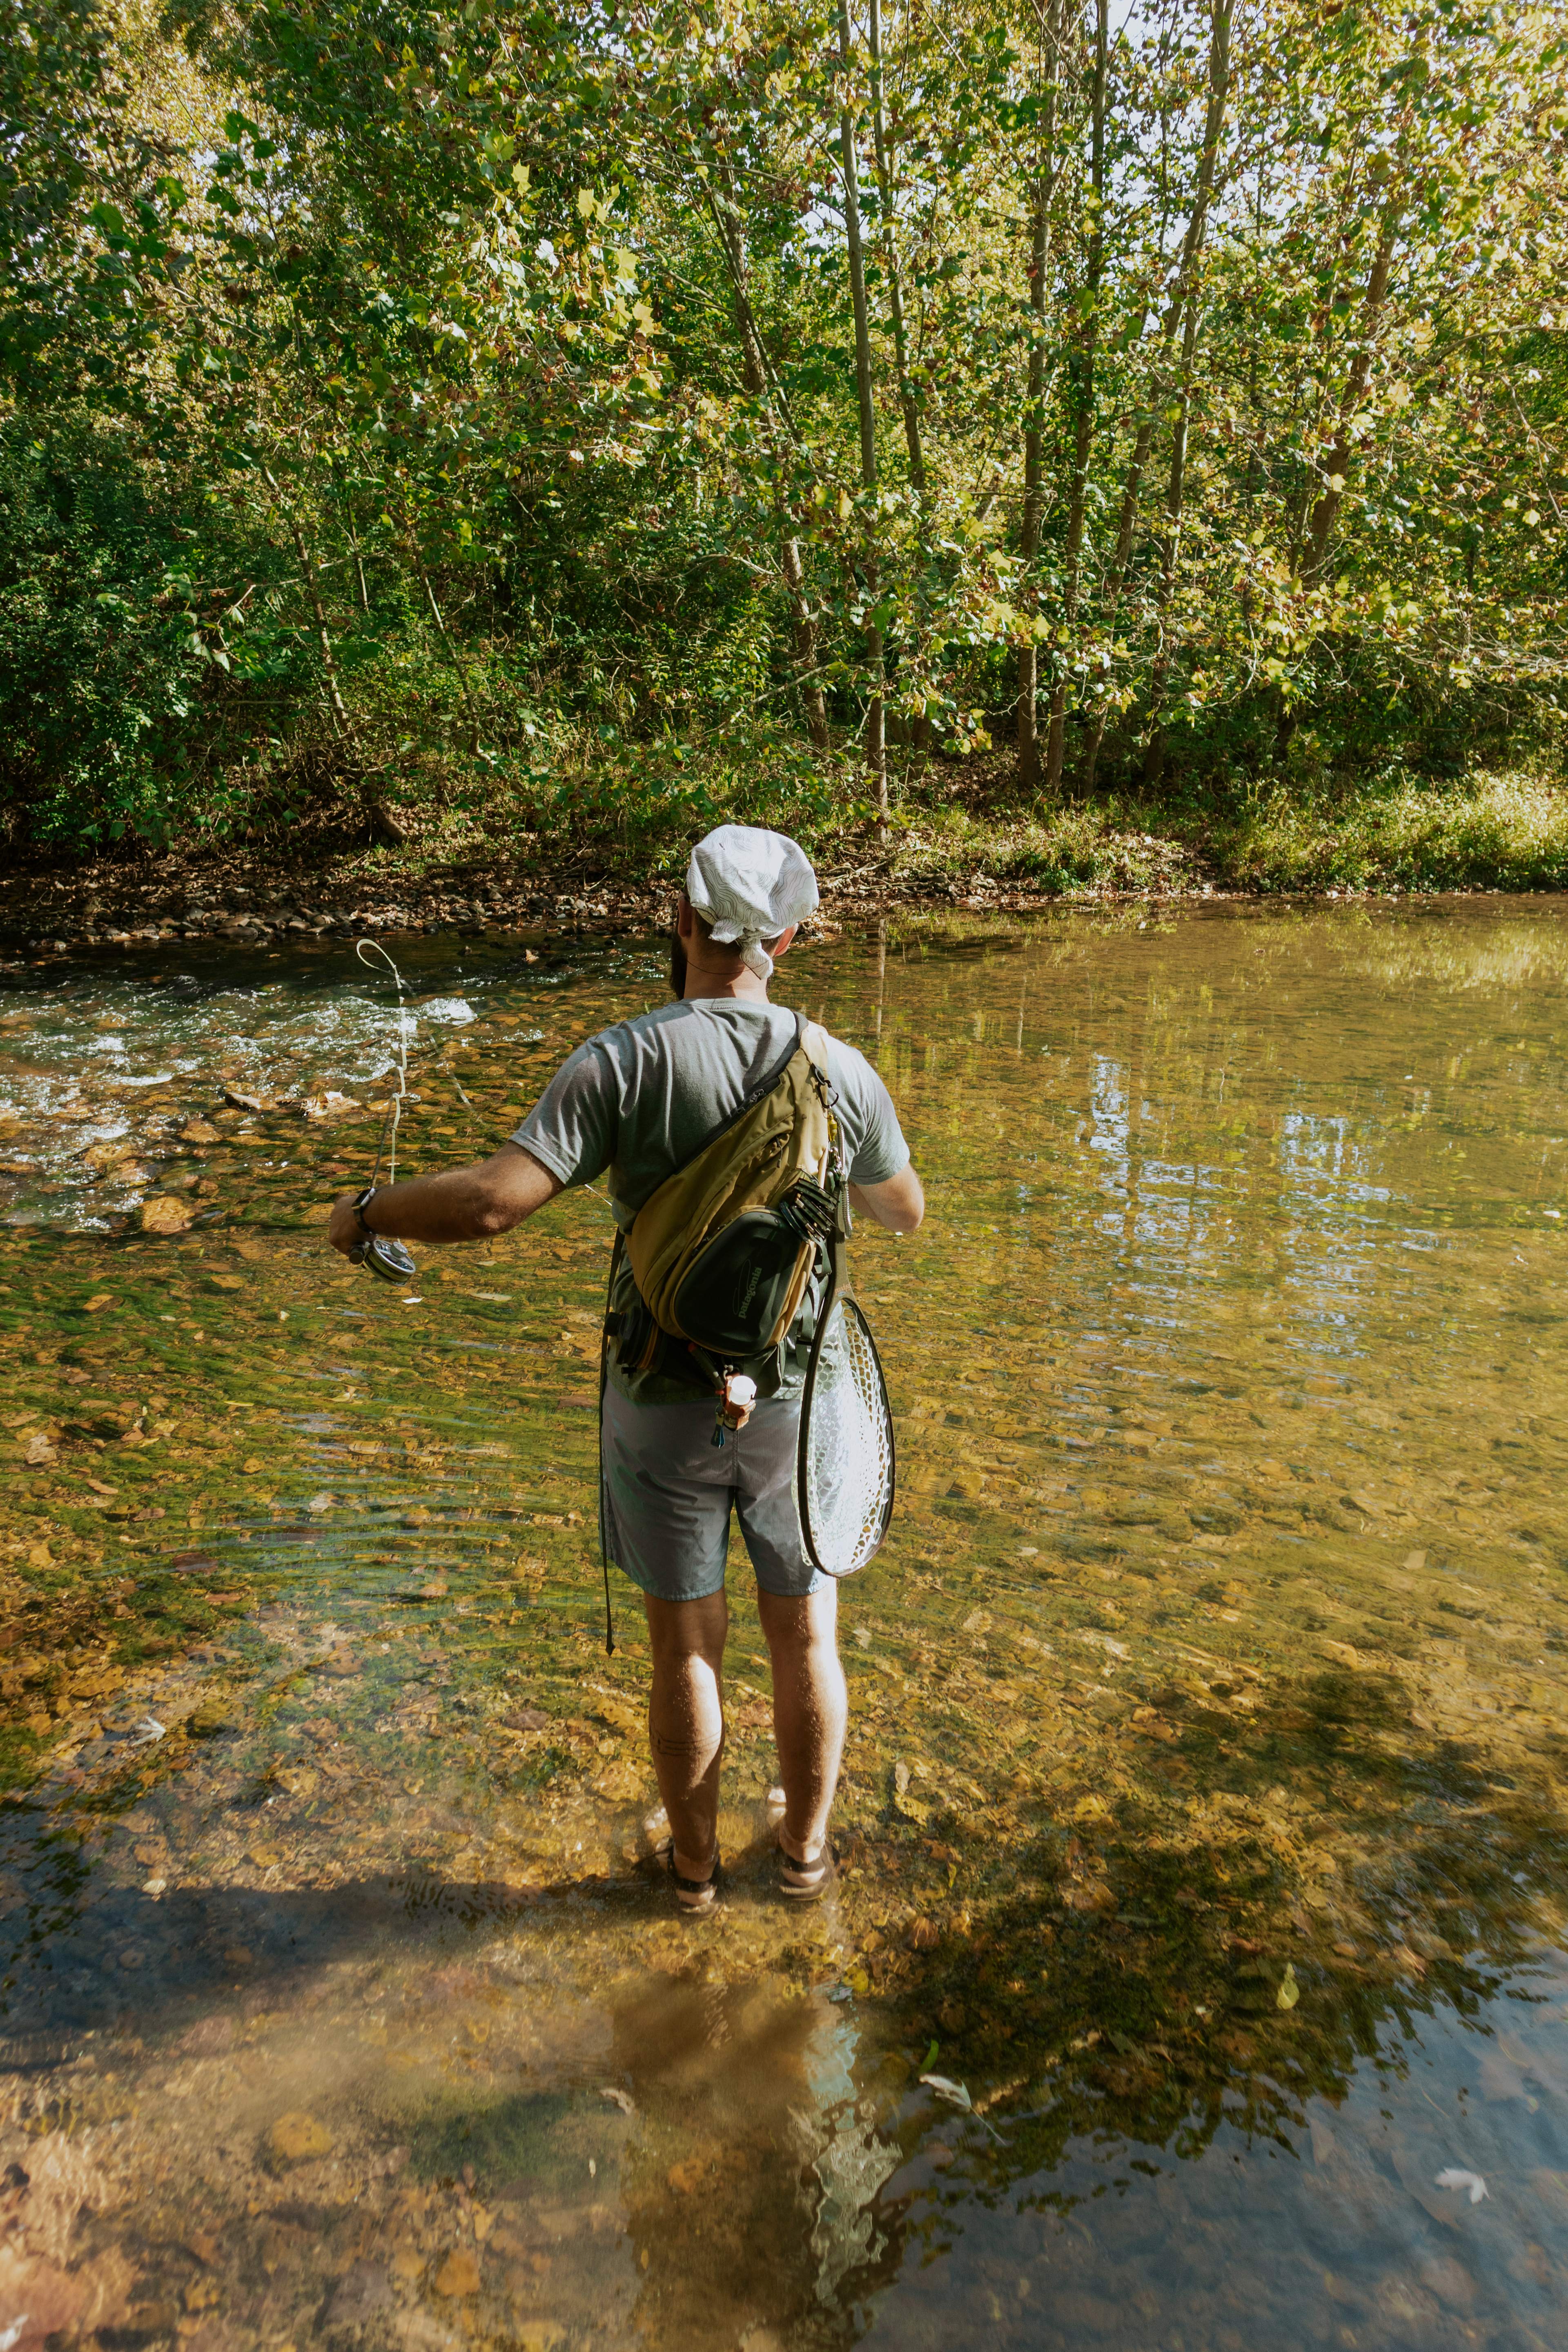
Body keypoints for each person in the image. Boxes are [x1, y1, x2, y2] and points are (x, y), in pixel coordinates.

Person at [326, 825, 924, 1912]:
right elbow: (904, 1212)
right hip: (793, 1399)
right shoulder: (842, 1070)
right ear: (788, 938)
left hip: (661, 1396)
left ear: (682, 919)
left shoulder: (622, 1060)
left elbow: (491, 1205)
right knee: (805, 1634)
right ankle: (804, 1862)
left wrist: (368, 1214)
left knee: (686, 1647)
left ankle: (693, 1879)